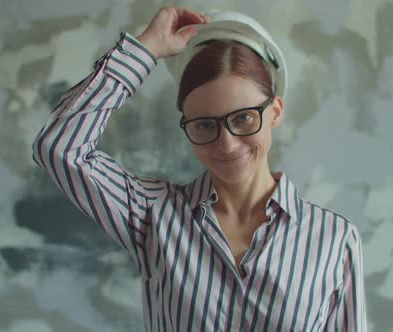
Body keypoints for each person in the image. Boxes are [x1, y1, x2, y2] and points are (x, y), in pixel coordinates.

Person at [32, 6, 366, 332]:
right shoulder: (153, 215)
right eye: (205, 126)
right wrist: (147, 48)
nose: (227, 144)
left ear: (275, 112)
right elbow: (59, 146)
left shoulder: (335, 241)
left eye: (244, 118)